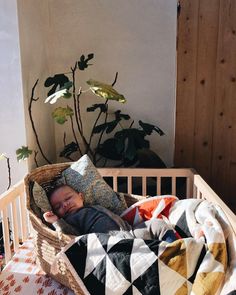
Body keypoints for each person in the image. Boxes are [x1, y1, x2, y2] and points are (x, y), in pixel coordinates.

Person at [43, 184, 178, 242]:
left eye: (68, 198)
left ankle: (177, 248)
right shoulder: (70, 220)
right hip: (110, 244)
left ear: (81, 196)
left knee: (157, 224)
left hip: (131, 233)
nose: (65, 204)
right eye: (58, 206)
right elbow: (70, 235)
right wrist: (56, 221)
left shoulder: (94, 206)